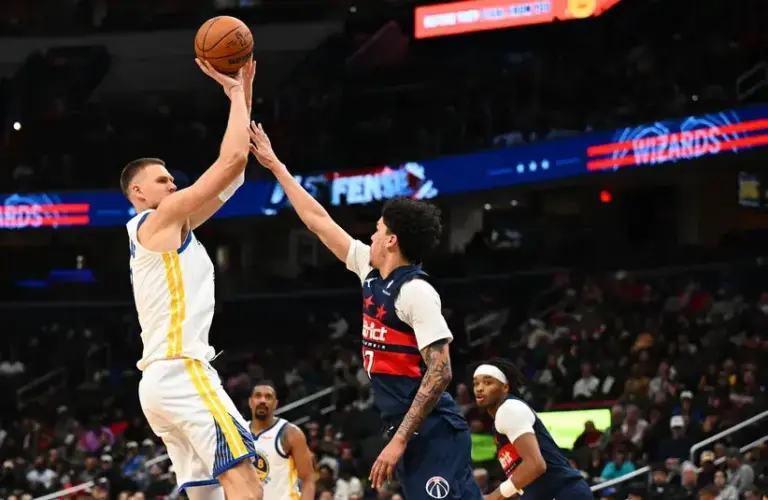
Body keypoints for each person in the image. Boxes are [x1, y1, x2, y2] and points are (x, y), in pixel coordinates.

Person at [248, 124, 483, 499]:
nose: (369, 236)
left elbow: (441, 371)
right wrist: (277, 167)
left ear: (391, 240)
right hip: (410, 429)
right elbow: (318, 221)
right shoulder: (368, 270)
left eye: (376, 230)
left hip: (433, 431)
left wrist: (401, 441)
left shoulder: (416, 291)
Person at [123, 58, 263, 500]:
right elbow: (233, 157)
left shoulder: (171, 230)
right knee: (247, 488)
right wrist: (233, 94)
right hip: (184, 371)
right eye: (162, 180)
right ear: (138, 194)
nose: (171, 185)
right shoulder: (157, 219)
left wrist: (244, 92)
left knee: (209, 496)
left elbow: (235, 174)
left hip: (158, 385)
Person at [472, 358, 593, 499]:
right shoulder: (504, 416)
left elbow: (535, 465)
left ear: (505, 387)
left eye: (487, 382)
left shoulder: (509, 409)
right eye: (476, 383)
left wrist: (494, 497)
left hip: (563, 493)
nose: (479, 388)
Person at [248, 382, 316, 500]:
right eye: (258, 396)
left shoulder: (290, 433)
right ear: (250, 402)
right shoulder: (239, 433)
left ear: (275, 404)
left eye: (268, 397)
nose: (263, 400)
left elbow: (308, 478)